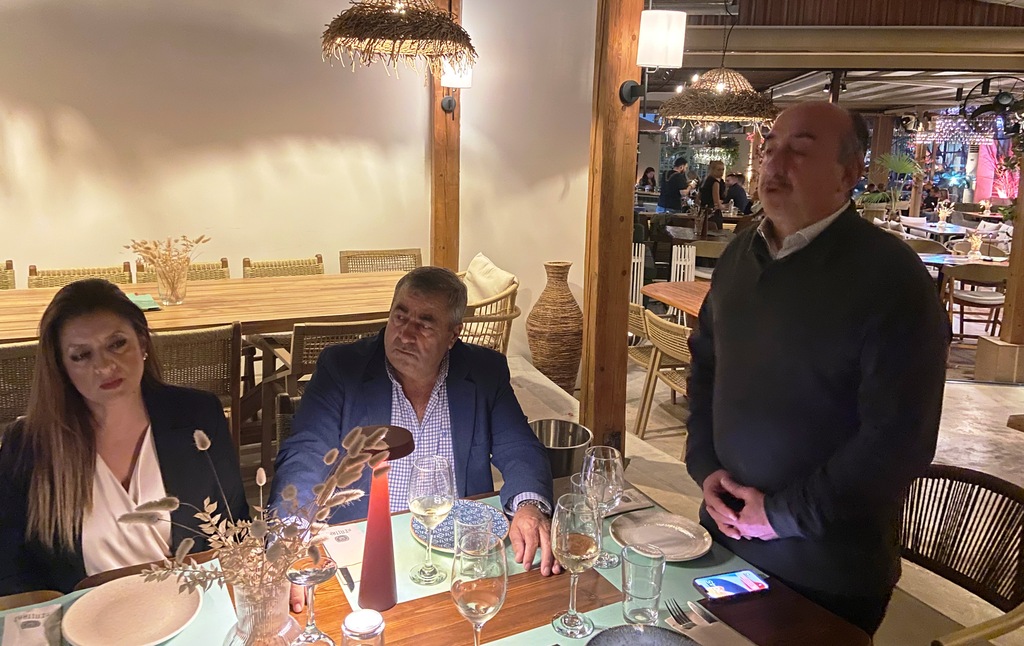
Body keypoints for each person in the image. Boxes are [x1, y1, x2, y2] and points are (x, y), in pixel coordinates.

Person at [685, 102, 949, 636]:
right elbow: (706, 368)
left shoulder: (891, 278)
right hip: (722, 537)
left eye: (800, 150)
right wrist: (705, 466)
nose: (775, 163)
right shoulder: (739, 257)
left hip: (824, 568)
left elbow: (899, 439)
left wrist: (781, 515)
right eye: (770, 149)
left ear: (849, 173)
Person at [271, 267, 559, 603]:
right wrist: (290, 533)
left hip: (457, 556)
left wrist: (529, 506)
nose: (405, 335)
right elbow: (306, 451)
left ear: (452, 336)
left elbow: (519, 446)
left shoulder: (484, 371)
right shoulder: (343, 367)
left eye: (425, 323)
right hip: (363, 550)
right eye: (400, 316)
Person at [0, 279, 247, 595]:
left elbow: (234, 528)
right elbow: (10, 568)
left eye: (117, 344)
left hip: (193, 606)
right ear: (61, 366)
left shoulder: (199, 415)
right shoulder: (29, 444)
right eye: (81, 355)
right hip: (82, 618)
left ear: (142, 343)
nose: (104, 366)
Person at [699, 160, 727, 228]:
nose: (721, 172)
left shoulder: (705, 181)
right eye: (718, 170)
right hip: (713, 213)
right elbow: (716, 203)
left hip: (703, 211)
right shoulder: (715, 182)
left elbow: (698, 198)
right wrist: (725, 206)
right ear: (712, 170)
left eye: (723, 169)